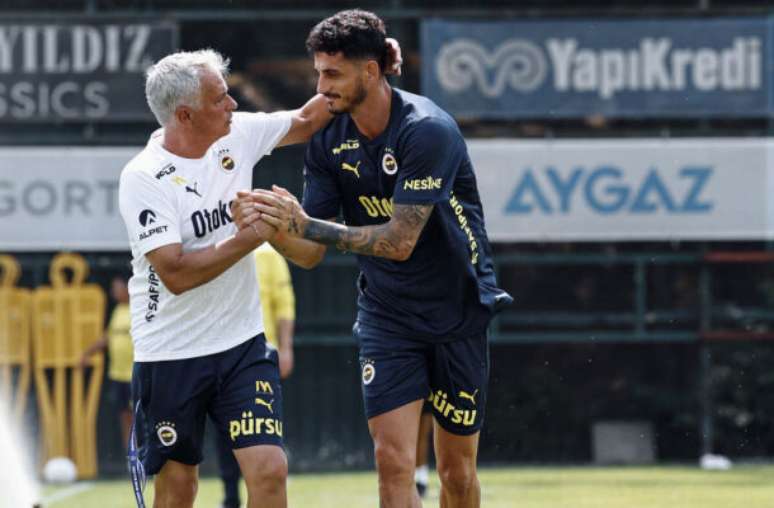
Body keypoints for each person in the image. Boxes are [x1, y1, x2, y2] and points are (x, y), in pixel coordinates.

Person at [232, 10, 512, 508]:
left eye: (332, 73)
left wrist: (307, 225)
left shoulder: (427, 130)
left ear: (370, 71)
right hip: (388, 316)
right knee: (393, 462)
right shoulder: (327, 137)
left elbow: (399, 241)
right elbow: (311, 254)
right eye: (318, 71)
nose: (320, 86)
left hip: (458, 310)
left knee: (456, 472)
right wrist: (270, 226)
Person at [117, 49, 333, 508]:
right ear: (185, 114)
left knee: (271, 471)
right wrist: (252, 236)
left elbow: (310, 118)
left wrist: (362, 62)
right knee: (178, 490)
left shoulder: (239, 134)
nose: (233, 105)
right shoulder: (143, 177)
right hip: (171, 353)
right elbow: (174, 273)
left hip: (242, 345)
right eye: (220, 98)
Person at [214, 243, 296, 508]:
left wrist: (285, 348)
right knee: (223, 432)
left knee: (262, 427)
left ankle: (258, 486)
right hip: (218, 351)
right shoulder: (214, 246)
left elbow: (284, 304)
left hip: (259, 356)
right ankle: (231, 495)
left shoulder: (269, 255)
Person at [81, 275, 134, 450]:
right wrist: (87, 353)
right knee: (124, 415)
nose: (114, 293)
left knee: (140, 415)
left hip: (135, 374)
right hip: (118, 374)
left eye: (117, 288)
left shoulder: (139, 309)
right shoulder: (117, 310)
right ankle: (131, 454)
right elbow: (107, 337)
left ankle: (147, 454)